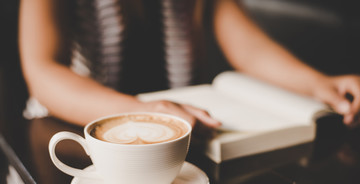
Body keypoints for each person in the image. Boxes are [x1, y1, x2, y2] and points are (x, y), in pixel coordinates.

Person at [18, 0, 360, 131]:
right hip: (69, 130)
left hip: (183, 133)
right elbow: (42, 73)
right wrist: (142, 111)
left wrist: (317, 83)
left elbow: (248, 47)